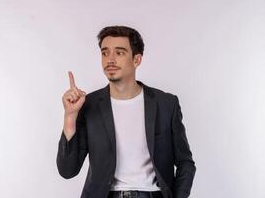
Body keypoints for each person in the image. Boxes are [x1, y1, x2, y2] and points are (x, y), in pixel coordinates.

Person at [57, 25, 196, 198]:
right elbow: (67, 171)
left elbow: (185, 163)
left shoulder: (166, 104)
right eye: (105, 53)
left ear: (137, 60)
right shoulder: (89, 105)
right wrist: (70, 118)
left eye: (120, 52)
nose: (110, 60)